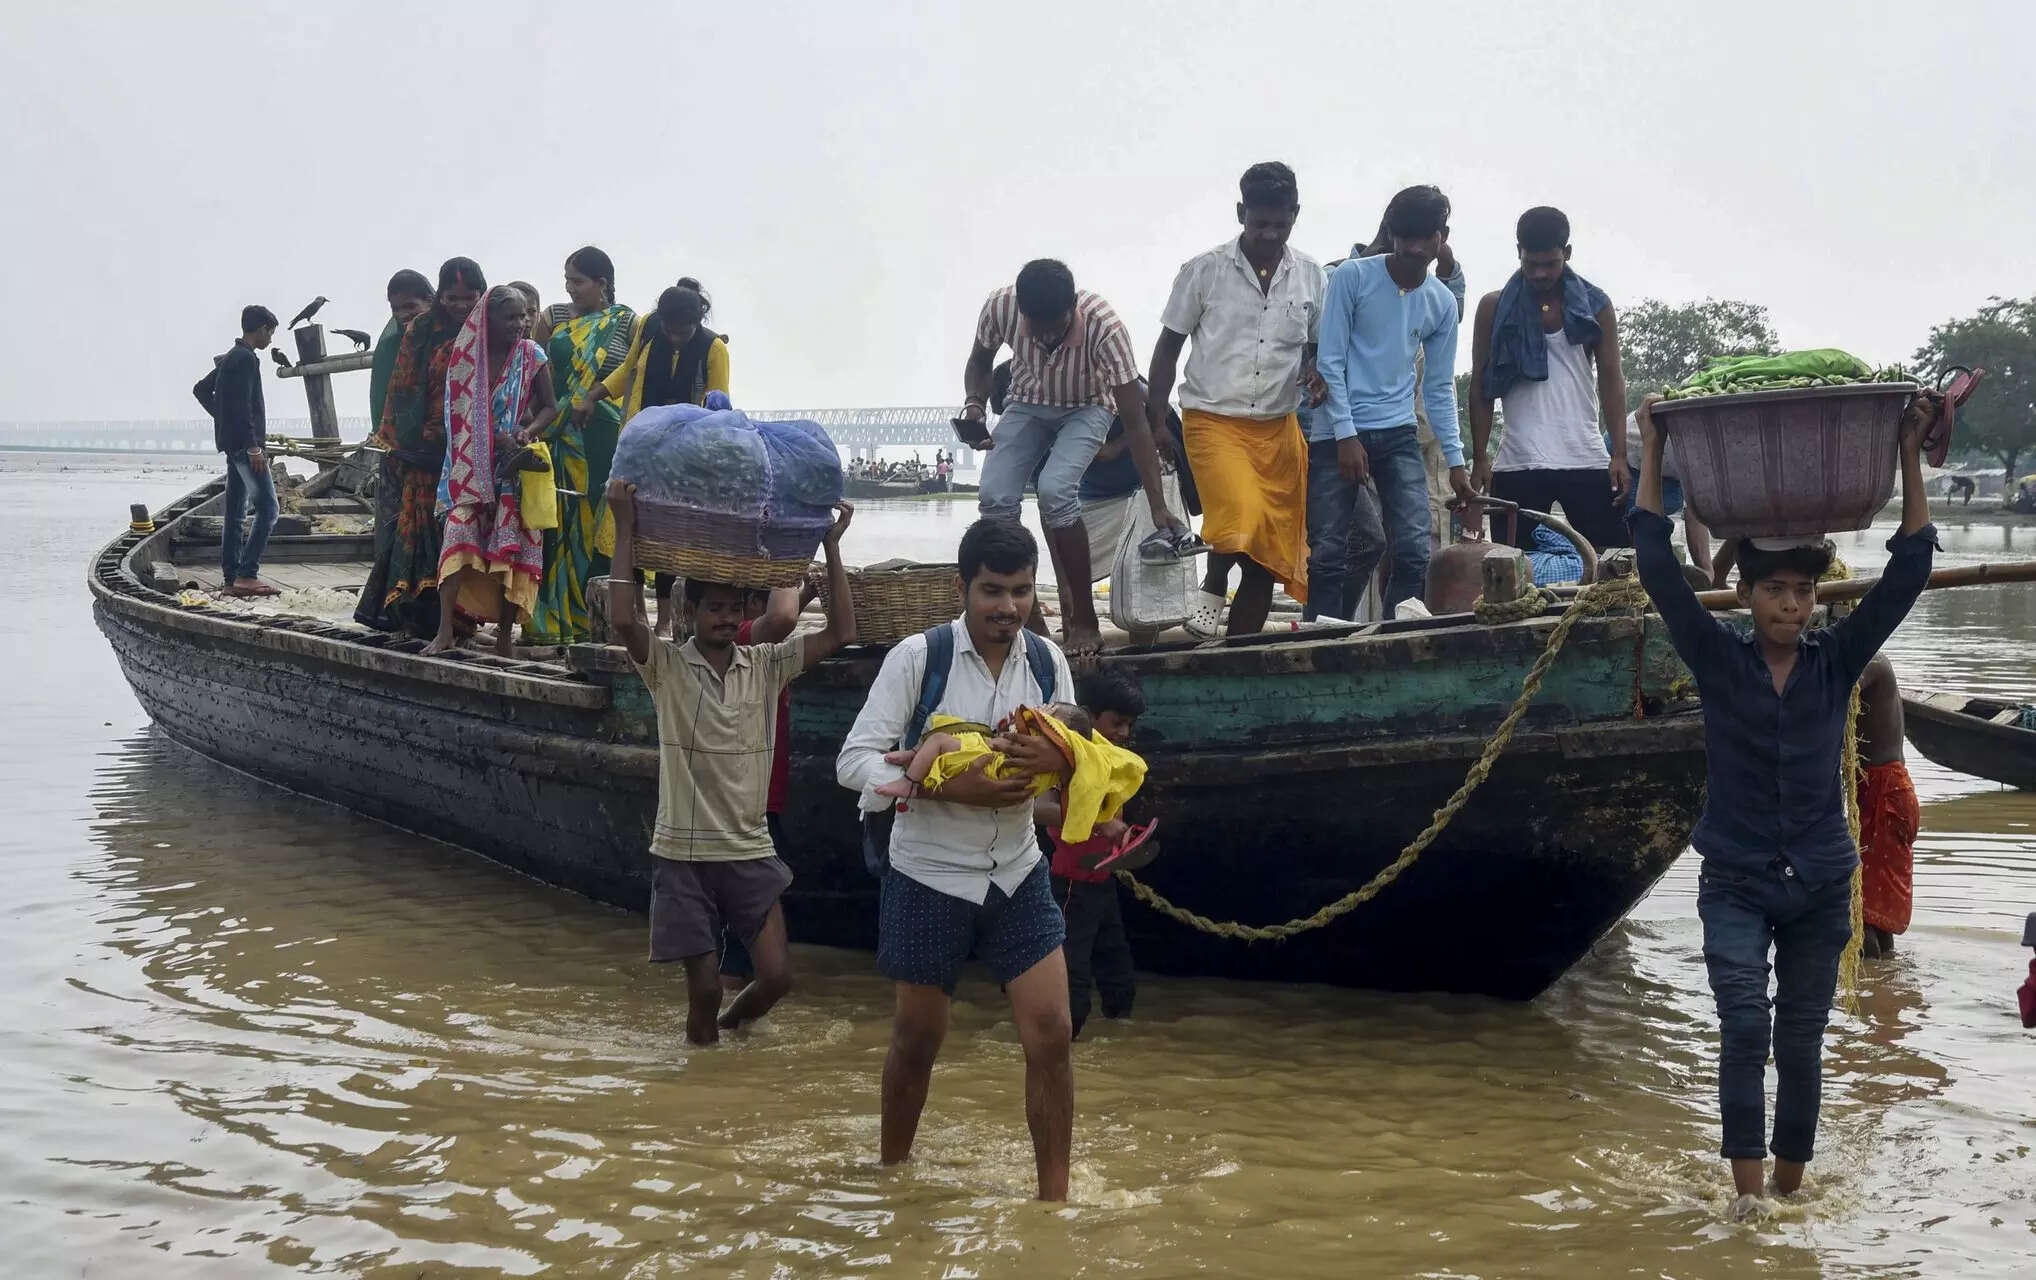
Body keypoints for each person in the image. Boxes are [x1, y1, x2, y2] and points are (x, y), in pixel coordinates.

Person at [1630, 388, 1940, 1220]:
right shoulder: (1716, 658)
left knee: (1801, 1038)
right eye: (1776, 591)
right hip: (1732, 876)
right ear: (1749, 594)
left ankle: (1791, 1192)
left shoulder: (1837, 663)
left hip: (1819, 884)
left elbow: (1911, 570)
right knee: (1743, 1026)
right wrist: (1655, 447)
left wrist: (1907, 450)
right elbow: (1655, 563)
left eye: (1804, 593)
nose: (1792, 607)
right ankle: (1746, 1196)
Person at [835, 518, 1078, 1201]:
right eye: (992, 592)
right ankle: (893, 1181)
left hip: (1017, 868)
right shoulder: (919, 657)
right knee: (917, 1038)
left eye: (1022, 592)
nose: (1008, 608)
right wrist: (943, 781)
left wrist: (1061, 759)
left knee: (1053, 1033)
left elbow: (1071, 765)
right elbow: (853, 761)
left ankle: (1053, 1202)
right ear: (962, 588)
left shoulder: (1049, 663)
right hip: (928, 873)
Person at [606, 483, 856, 1045]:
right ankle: (702, 1075)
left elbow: (844, 633)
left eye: (732, 608)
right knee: (705, 987)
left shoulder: (766, 665)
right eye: (711, 608)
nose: (724, 618)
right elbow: (624, 618)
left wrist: (832, 545)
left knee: (776, 978)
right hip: (683, 853)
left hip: (749, 848)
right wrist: (625, 525)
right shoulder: (667, 667)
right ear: (688, 611)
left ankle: (723, 1038)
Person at [962, 259, 1182, 660]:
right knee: (994, 497)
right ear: (1022, 311)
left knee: (1056, 491)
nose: (1045, 337)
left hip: (1088, 406)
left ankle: (1084, 620)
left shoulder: (1105, 328)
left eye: (1055, 327)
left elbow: (1134, 420)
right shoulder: (1001, 307)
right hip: (1027, 403)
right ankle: (1028, 621)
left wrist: (1158, 505)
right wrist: (975, 405)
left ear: (1072, 309)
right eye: (1036, 327)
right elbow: (979, 360)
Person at [1146, 162, 1322, 636]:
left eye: (1280, 225)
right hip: (1212, 421)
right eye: (1259, 223)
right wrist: (1157, 420)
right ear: (1241, 212)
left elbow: (1318, 349)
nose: (1269, 234)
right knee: (1238, 520)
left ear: (1295, 216)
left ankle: (1239, 650)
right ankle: (1214, 582)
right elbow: (1168, 348)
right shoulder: (1203, 271)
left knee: (1269, 555)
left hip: (1278, 429)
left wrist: (1317, 373)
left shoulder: (1311, 277)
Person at [1315, 185, 1475, 611]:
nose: (1416, 248)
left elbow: (1439, 388)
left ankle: (1397, 631)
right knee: (1329, 552)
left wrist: (1457, 464)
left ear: (1442, 236)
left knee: (1413, 550)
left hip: (1399, 433)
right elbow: (1330, 362)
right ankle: (1322, 637)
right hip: (1336, 434)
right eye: (1407, 237)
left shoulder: (1441, 303)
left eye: (1426, 237)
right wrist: (1346, 436)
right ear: (1392, 233)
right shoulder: (1352, 276)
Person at [1470, 207, 1631, 555]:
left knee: (1613, 564)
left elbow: (1612, 380)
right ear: (1518, 253)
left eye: (1550, 264)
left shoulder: (1595, 305)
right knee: (1512, 571)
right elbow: (1481, 387)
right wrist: (1480, 457)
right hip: (1518, 460)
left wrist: (1619, 453)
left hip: (1584, 457)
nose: (1540, 273)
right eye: (1531, 264)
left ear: (1567, 254)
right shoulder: (1493, 307)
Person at [423, 285, 558, 657]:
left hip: (511, 466)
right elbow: (455, 415)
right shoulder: (465, 357)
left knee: (507, 553)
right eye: (511, 317)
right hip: (468, 467)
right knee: (457, 539)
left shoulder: (532, 355)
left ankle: (503, 641)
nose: (521, 324)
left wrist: (525, 432)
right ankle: (446, 629)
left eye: (523, 316)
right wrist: (485, 440)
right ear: (489, 319)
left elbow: (550, 407)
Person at [356, 257, 486, 636]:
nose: (460, 306)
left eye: (468, 297)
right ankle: (419, 616)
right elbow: (402, 387)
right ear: (439, 297)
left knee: (463, 531)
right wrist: (405, 444)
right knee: (420, 528)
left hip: (471, 447)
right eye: (452, 298)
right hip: (425, 447)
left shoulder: (487, 328)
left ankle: (463, 617)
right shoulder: (420, 331)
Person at [524, 247, 638, 645]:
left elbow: (632, 376)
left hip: (603, 435)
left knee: (598, 522)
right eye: (567, 280)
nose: (569, 288)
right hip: (557, 434)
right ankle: (551, 623)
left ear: (601, 283)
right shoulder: (553, 317)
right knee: (558, 522)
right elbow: (533, 371)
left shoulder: (626, 322)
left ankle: (596, 619)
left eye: (578, 281)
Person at [1040, 669, 1147, 1040]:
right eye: (1117, 722)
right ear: (1089, 716)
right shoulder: (1066, 757)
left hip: (1102, 882)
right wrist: (1101, 822)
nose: (1124, 733)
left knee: (1119, 980)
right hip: (1070, 886)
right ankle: (1064, 1044)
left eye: (1129, 725)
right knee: (1072, 979)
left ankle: (1115, 1049)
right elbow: (1039, 809)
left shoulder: (1110, 760)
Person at [206, 305, 282, 598]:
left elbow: (201, 389)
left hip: (231, 445)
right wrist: (253, 447)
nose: (271, 340)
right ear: (261, 328)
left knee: (235, 513)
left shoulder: (229, 359)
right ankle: (247, 574)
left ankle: (230, 580)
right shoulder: (247, 359)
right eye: (270, 333)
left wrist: (222, 420)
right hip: (246, 448)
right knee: (269, 509)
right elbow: (242, 407)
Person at [1855, 654, 1920, 959]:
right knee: (1876, 912)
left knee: (1864, 909)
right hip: (1888, 790)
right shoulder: (1879, 664)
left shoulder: (1872, 662)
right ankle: (1884, 988)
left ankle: (1867, 992)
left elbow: (1839, 691)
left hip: (1884, 794)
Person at [369, 269, 434, 430]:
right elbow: (380, 405)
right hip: (404, 444)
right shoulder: (389, 348)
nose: (403, 315)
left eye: (410, 306)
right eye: (395, 309)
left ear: (430, 301)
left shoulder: (452, 338)